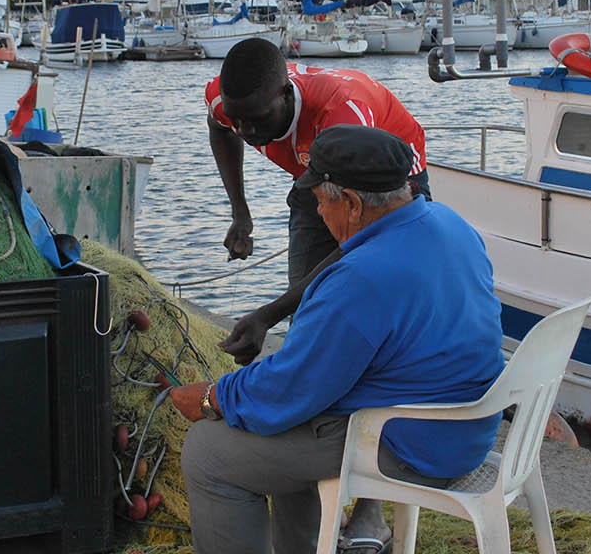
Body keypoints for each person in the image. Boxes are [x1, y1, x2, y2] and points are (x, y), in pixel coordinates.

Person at [170, 125, 504, 554]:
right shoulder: (448, 223)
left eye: (320, 202)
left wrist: (211, 397)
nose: (319, 214)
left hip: (416, 445)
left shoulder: (363, 277)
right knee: (275, 422)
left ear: (350, 202)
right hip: (469, 424)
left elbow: (289, 389)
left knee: (209, 453)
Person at [204, 38, 428, 366]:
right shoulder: (229, 103)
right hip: (315, 175)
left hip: (386, 182)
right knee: (309, 304)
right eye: (236, 120)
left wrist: (267, 315)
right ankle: (306, 373)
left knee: (381, 282)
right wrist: (241, 214)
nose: (245, 131)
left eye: (257, 120)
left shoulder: (341, 116)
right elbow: (219, 128)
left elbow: (357, 238)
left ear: (285, 94)